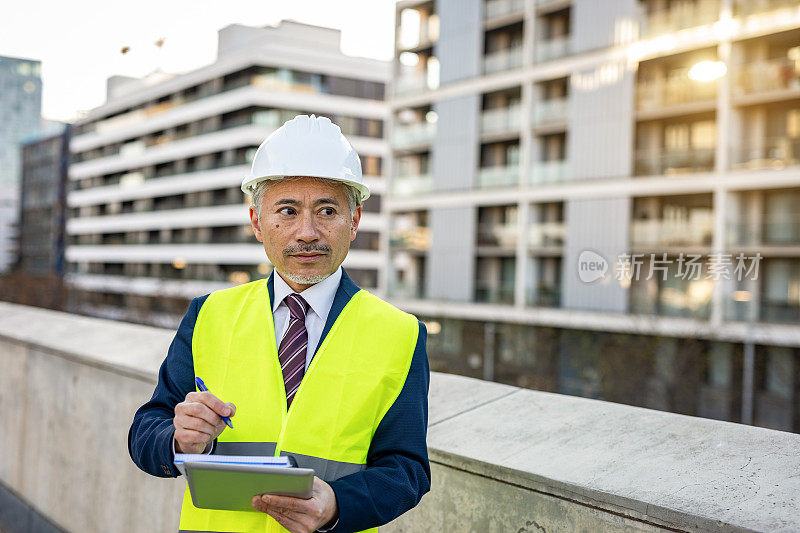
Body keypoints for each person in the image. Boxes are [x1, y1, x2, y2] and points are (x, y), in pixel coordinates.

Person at [128, 114, 431, 533]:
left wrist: (338, 504)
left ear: (355, 221)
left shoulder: (400, 335)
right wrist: (178, 439)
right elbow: (146, 431)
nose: (306, 232)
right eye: (287, 211)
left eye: (326, 210)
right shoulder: (208, 314)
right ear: (257, 222)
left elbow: (407, 470)